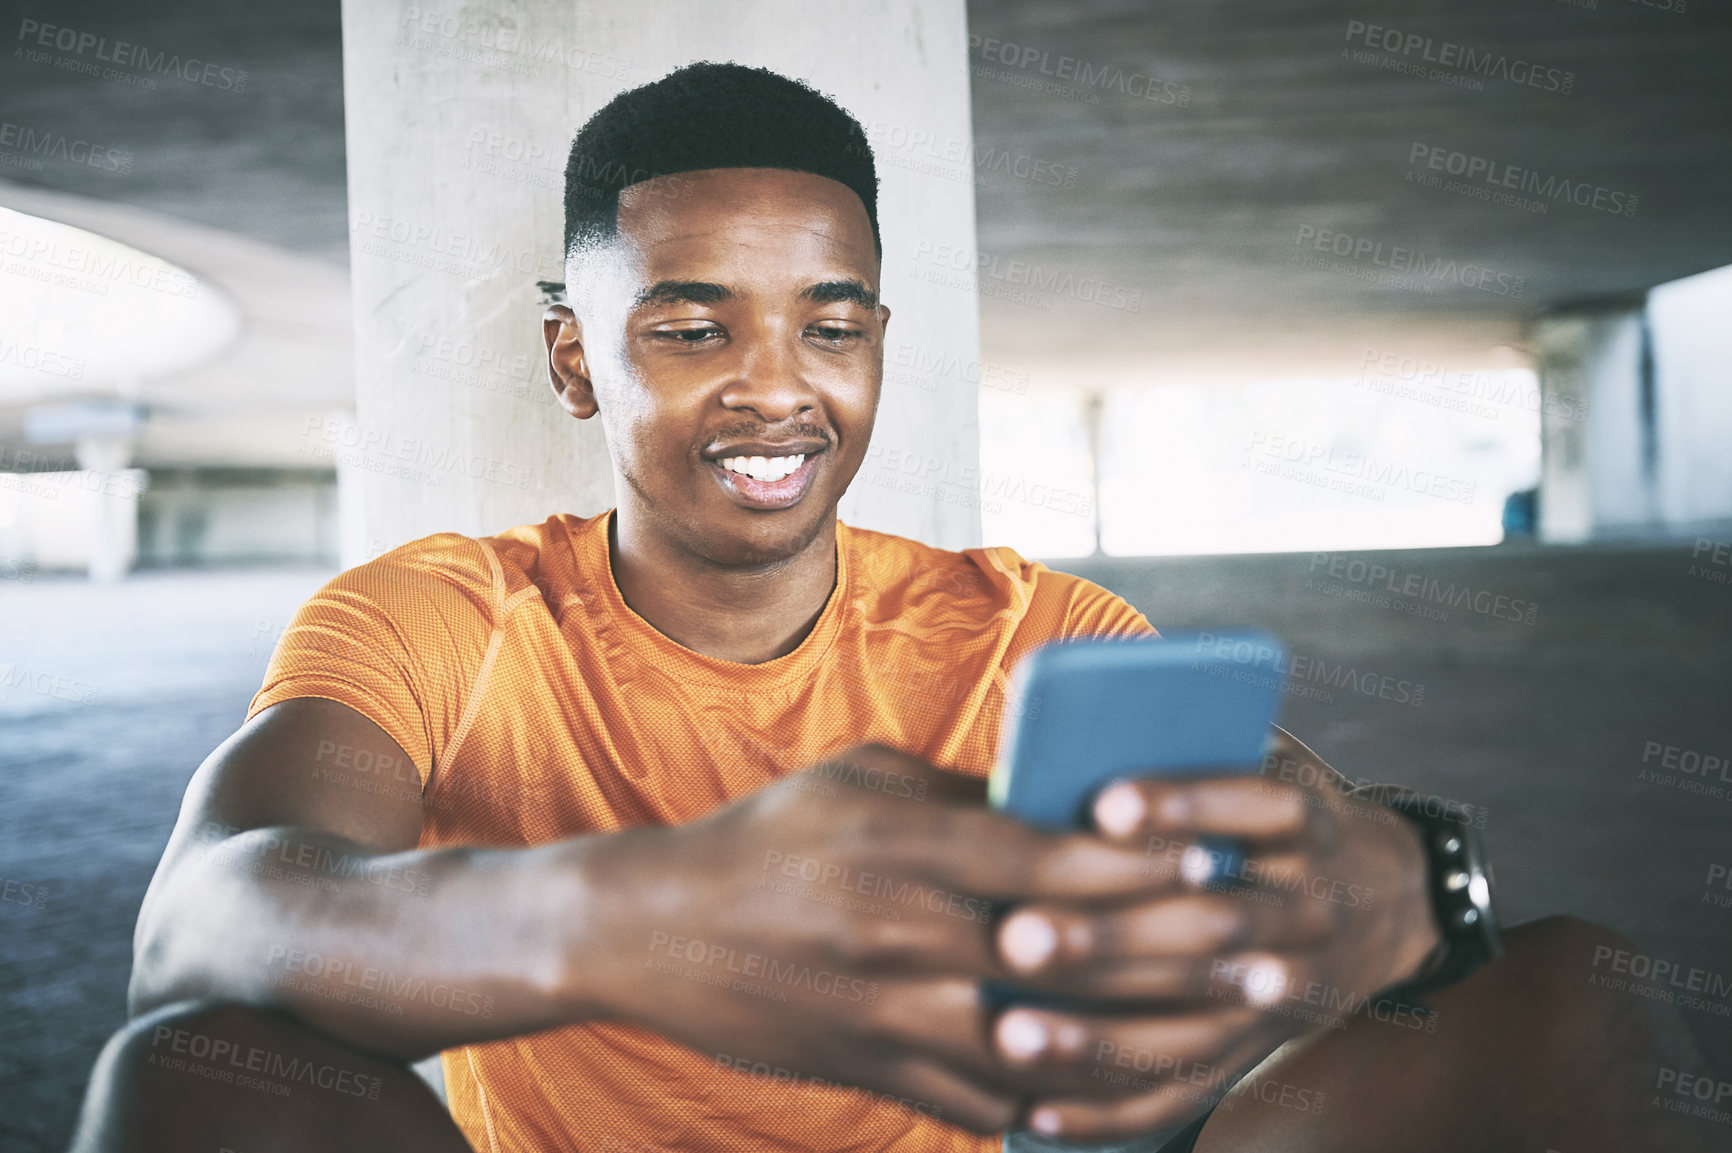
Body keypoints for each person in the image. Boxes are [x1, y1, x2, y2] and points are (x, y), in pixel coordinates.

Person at [72, 63, 1718, 1153]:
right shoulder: (445, 613)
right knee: (191, 1077)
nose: (776, 394)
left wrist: (1381, 876)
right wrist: (637, 913)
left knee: (1577, 988)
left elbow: (1302, 854)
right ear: (578, 355)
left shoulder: (1024, 631)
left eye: (831, 327)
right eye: (693, 330)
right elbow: (202, 922)